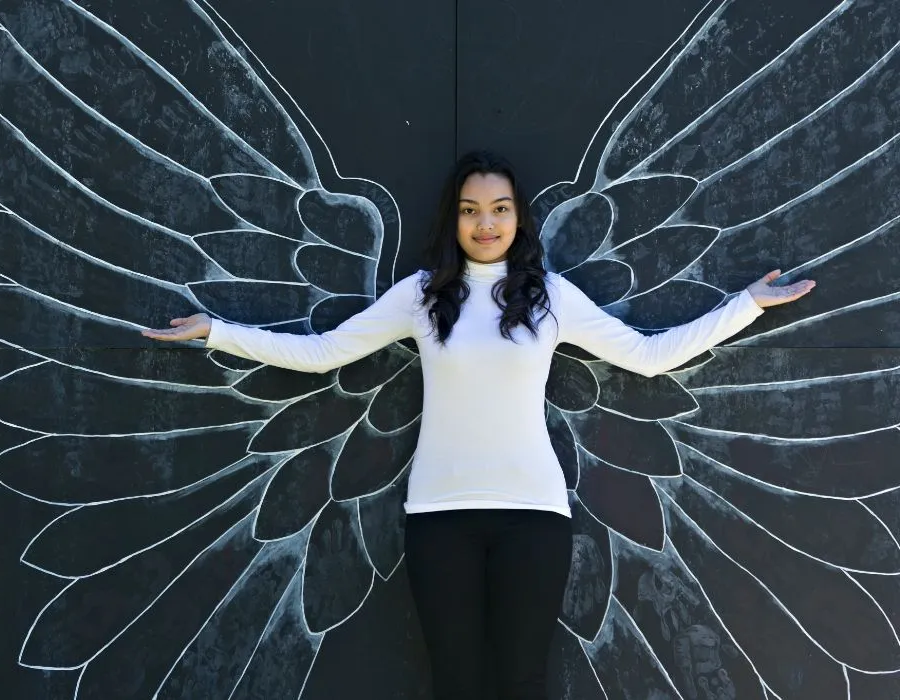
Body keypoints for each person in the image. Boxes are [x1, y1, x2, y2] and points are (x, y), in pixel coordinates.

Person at [141, 151, 816, 699]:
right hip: (439, 519)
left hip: (534, 518)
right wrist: (217, 333)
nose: (485, 224)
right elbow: (324, 354)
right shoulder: (422, 296)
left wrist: (746, 305)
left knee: (522, 683)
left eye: (499, 210)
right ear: (454, 219)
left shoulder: (550, 297)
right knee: (457, 685)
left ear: (518, 219)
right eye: (471, 211)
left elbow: (648, 355)